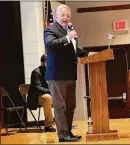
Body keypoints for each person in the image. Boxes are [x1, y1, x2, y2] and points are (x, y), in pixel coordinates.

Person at [44, 4, 88, 142]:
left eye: (68, 16)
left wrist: (88, 54)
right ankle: (63, 135)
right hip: (57, 76)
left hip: (70, 75)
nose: (66, 18)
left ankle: (68, 133)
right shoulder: (50, 30)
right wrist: (68, 37)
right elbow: (50, 45)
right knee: (60, 107)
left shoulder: (68, 30)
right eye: (63, 15)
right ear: (56, 16)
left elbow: (74, 50)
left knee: (70, 106)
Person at [27, 54, 56, 132]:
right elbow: (38, 88)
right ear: (42, 62)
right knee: (47, 97)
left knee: (62, 94)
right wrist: (51, 91)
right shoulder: (36, 72)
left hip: (47, 93)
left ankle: (64, 123)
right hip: (36, 97)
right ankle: (48, 125)